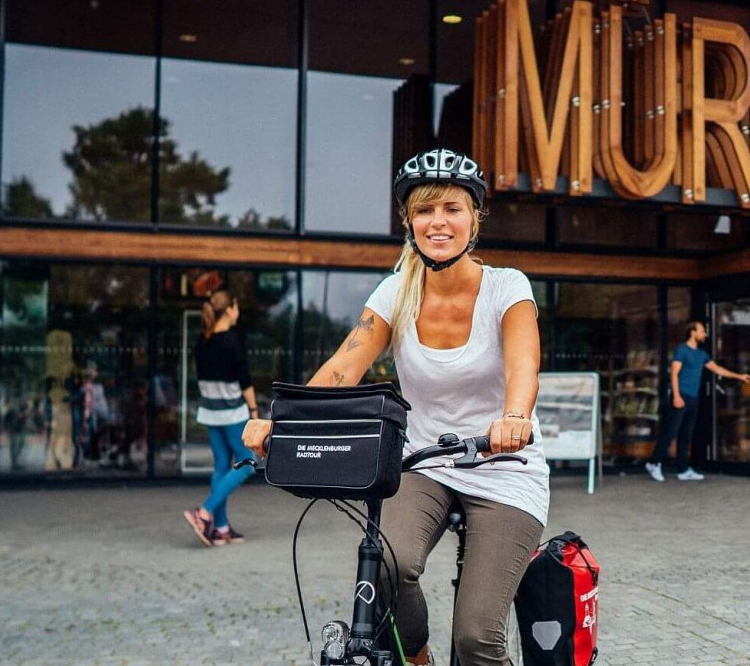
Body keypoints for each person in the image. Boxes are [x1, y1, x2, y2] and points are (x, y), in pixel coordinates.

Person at [244, 148, 544, 666]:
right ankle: (416, 655)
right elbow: (345, 366)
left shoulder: (506, 287)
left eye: (451, 207)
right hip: (424, 462)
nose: (438, 222)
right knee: (385, 562)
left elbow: (523, 367)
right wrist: (283, 423)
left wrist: (514, 417)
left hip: (504, 467)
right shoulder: (396, 292)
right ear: (409, 222)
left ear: (475, 217)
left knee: (475, 638)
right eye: (424, 211)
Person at [182, 290, 259, 547]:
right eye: (236, 307)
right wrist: (255, 411)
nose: (238, 312)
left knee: (222, 466)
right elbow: (244, 379)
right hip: (232, 411)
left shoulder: (202, 342)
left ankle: (221, 528)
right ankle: (204, 513)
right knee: (248, 462)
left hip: (210, 411)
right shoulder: (232, 340)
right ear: (229, 309)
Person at [646, 321, 750, 482]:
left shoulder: (702, 354)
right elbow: (674, 374)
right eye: (702, 331)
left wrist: (739, 376)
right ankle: (654, 463)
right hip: (680, 395)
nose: (705, 334)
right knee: (670, 432)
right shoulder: (682, 350)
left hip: (692, 398)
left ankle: (682, 470)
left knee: (686, 434)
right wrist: (676, 396)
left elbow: (717, 369)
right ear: (692, 332)